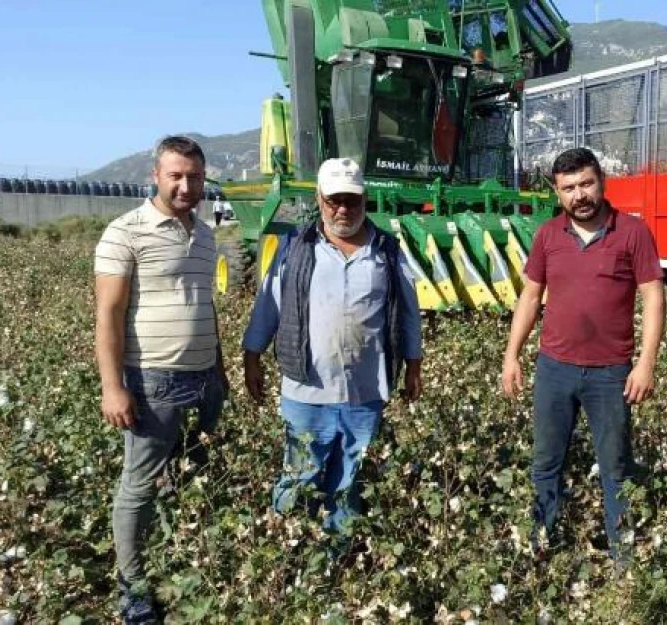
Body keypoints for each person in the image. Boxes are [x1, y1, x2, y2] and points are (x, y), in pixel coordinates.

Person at [242, 157, 423, 539]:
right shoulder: (295, 247)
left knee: (349, 479)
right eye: (334, 200)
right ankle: (288, 553)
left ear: (365, 200)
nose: (343, 208)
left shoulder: (387, 251)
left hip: (365, 392)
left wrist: (413, 367)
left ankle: (335, 554)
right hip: (306, 390)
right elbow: (268, 305)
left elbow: (408, 313)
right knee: (299, 475)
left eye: (352, 200)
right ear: (319, 199)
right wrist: (252, 356)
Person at [501, 147, 666, 564]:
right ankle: (541, 547)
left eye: (586, 183)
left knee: (615, 469)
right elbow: (531, 295)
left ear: (602, 182)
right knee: (545, 462)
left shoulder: (632, 232)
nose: (579, 195)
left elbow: (653, 296)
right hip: (554, 369)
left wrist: (646, 363)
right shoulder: (548, 235)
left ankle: (623, 560)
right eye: (569, 188)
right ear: (558, 193)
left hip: (610, 374)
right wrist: (512, 354)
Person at [94, 135, 228, 624]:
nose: (186, 185)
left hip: (204, 377)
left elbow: (204, 304)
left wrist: (220, 367)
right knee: (139, 485)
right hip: (153, 381)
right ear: (156, 176)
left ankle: (180, 558)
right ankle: (132, 588)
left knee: (193, 473)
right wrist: (113, 386)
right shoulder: (124, 232)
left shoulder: (206, 232)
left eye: (194, 176)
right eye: (176, 175)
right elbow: (107, 315)